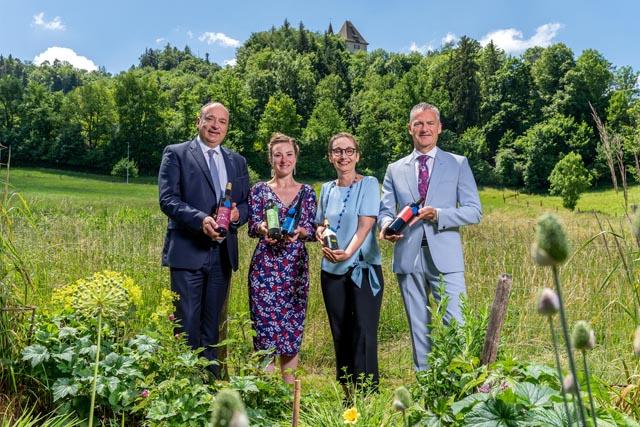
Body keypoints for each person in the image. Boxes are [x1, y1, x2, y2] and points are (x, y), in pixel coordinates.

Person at [378, 102, 482, 372]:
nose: (424, 129)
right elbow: (385, 211)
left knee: (457, 326)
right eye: (418, 124)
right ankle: (426, 389)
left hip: (446, 257)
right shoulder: (394, 169)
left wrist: (439, 215)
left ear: (439, 128)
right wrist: (388, 226)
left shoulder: (458, 164)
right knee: (419, 327)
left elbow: (474, 212)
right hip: (408, 256)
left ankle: (460, 387)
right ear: (410, 129)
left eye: (429, 123)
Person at [158, 101, 250, 376]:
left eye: (222, 122)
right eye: (210, 119)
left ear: (227, 127)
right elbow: (167, 200)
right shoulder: (176, 154)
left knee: (213, 327)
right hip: (188, 252)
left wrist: (236, 216)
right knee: (186, 326)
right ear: (198, 122)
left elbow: (245, 205)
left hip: (222, 255)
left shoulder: (237, 161)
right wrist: (200, 220)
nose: (215, 126)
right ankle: (185, 391)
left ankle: (209, 392)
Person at [315, 132, 384, 396]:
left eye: (349, 151)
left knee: (363, 332)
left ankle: (368, 395)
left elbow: (365, 226)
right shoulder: (327, 189)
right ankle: (348, 395)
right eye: (337, 151)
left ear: (357, 155)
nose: (344, 156)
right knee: (340, 332)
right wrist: (321, 234)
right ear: (330, 156)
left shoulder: (368, 184)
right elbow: (321, 225)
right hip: (331, 271)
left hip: (362, 270)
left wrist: (347, 253)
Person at [247, 133, 317, 384]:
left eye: (289, 154)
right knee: (264, 336)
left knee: (290, 335)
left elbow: (311, 230)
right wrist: (263, 229)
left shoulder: (307, 192)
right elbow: (252, 226)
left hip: (294, 270)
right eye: (278, 155)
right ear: (271, 159)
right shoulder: (259, 190)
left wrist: (301, 232)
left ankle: (289, 406)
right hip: (265, 270)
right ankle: (264, 401)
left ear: (296, 158)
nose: (283, 159)